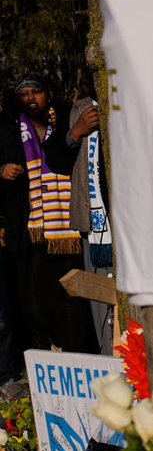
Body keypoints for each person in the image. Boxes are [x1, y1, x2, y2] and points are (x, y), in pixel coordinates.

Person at [1, 73, 98, 354]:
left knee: (73, 298)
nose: (30, 98)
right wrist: (1, 171)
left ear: (48, 93)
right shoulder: (8, 128)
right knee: (34, 304)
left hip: (69, 225)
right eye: (24, 94)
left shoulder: (68, 117)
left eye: (36, 91)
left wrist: (74, 133)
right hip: (31, 228)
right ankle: (50, 346)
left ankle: (77, 353)